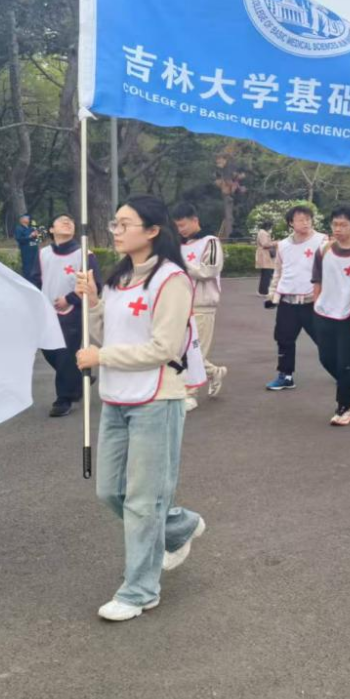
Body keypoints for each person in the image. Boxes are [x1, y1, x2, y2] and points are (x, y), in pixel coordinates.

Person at [74, 195, 207, 622]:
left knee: (143, 501)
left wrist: (101, 358)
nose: (115, 230)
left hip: (157, 398)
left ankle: (140, 591)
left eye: (124, 224)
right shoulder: (119, 278)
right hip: (116, 398)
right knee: (110, 491)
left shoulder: (172, 280)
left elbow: (164, 347)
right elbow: (107, 334)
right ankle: (179, 526)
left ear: (152, 230)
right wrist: (94, 303)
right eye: (115, 223)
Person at [31, 214, 101, 418]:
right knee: (48, 351)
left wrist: (69, 299)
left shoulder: (84, 254)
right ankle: (77, 379)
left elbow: (94, 284)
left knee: (64, 355)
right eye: (61, 220)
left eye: (70, 221)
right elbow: (35, 279)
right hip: (47, 312)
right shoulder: (43, 254)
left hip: (72, 312)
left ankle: (63, 399)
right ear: (51, 230)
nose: (67, 222)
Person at [312, 204, 350, 426]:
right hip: (324, 311)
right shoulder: (324, 250)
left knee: (346, 362)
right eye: (335, 224)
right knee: (326, 358)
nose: (338, 229)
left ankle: (344, 408)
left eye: (343, 225)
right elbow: (317, 279)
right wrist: (316, 302)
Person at [172, 202, 228, 409]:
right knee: (180, 349)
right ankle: (214, 372)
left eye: (183, 225)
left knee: (194, 351)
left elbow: (210, 270)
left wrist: (181, 264)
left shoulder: (210, 241)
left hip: (202, 304)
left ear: (195, 220)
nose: (180, 230)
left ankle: (189, 393)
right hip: (179, 303)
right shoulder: (177, 244)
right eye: (177, 226)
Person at [266, 205, 327, 391]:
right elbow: (278, 272)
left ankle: (345, 374)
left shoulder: (322, 241)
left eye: (308, 219)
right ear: (291, 223)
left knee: (325, 340)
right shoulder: (283, 245)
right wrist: (272, 294)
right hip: (288, 301)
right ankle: (285, 376)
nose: (306, 223)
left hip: (313, 302)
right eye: (301, 219)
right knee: (284, 339)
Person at [255, 218, 277, 307]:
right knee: (266, 273)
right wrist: (275, 243)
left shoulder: (263, 232)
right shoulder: (263, 233)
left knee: (266, 273)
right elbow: (265, 244)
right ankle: (263, 291)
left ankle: (262, 290)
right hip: (264, 255)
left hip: (265, 255)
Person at [15, 214, 38, 280]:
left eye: (28, 218)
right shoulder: (19, 228)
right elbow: (19, 239)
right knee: (27, 266)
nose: (28, 218)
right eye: (26, 217)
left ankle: (35, 279)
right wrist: (29, 236)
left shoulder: (31, 228)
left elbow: (37, 239)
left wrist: (36, 234)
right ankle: (27, 279)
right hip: (26, 250)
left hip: (34, 249)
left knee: (35, 265)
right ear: (21, 220)